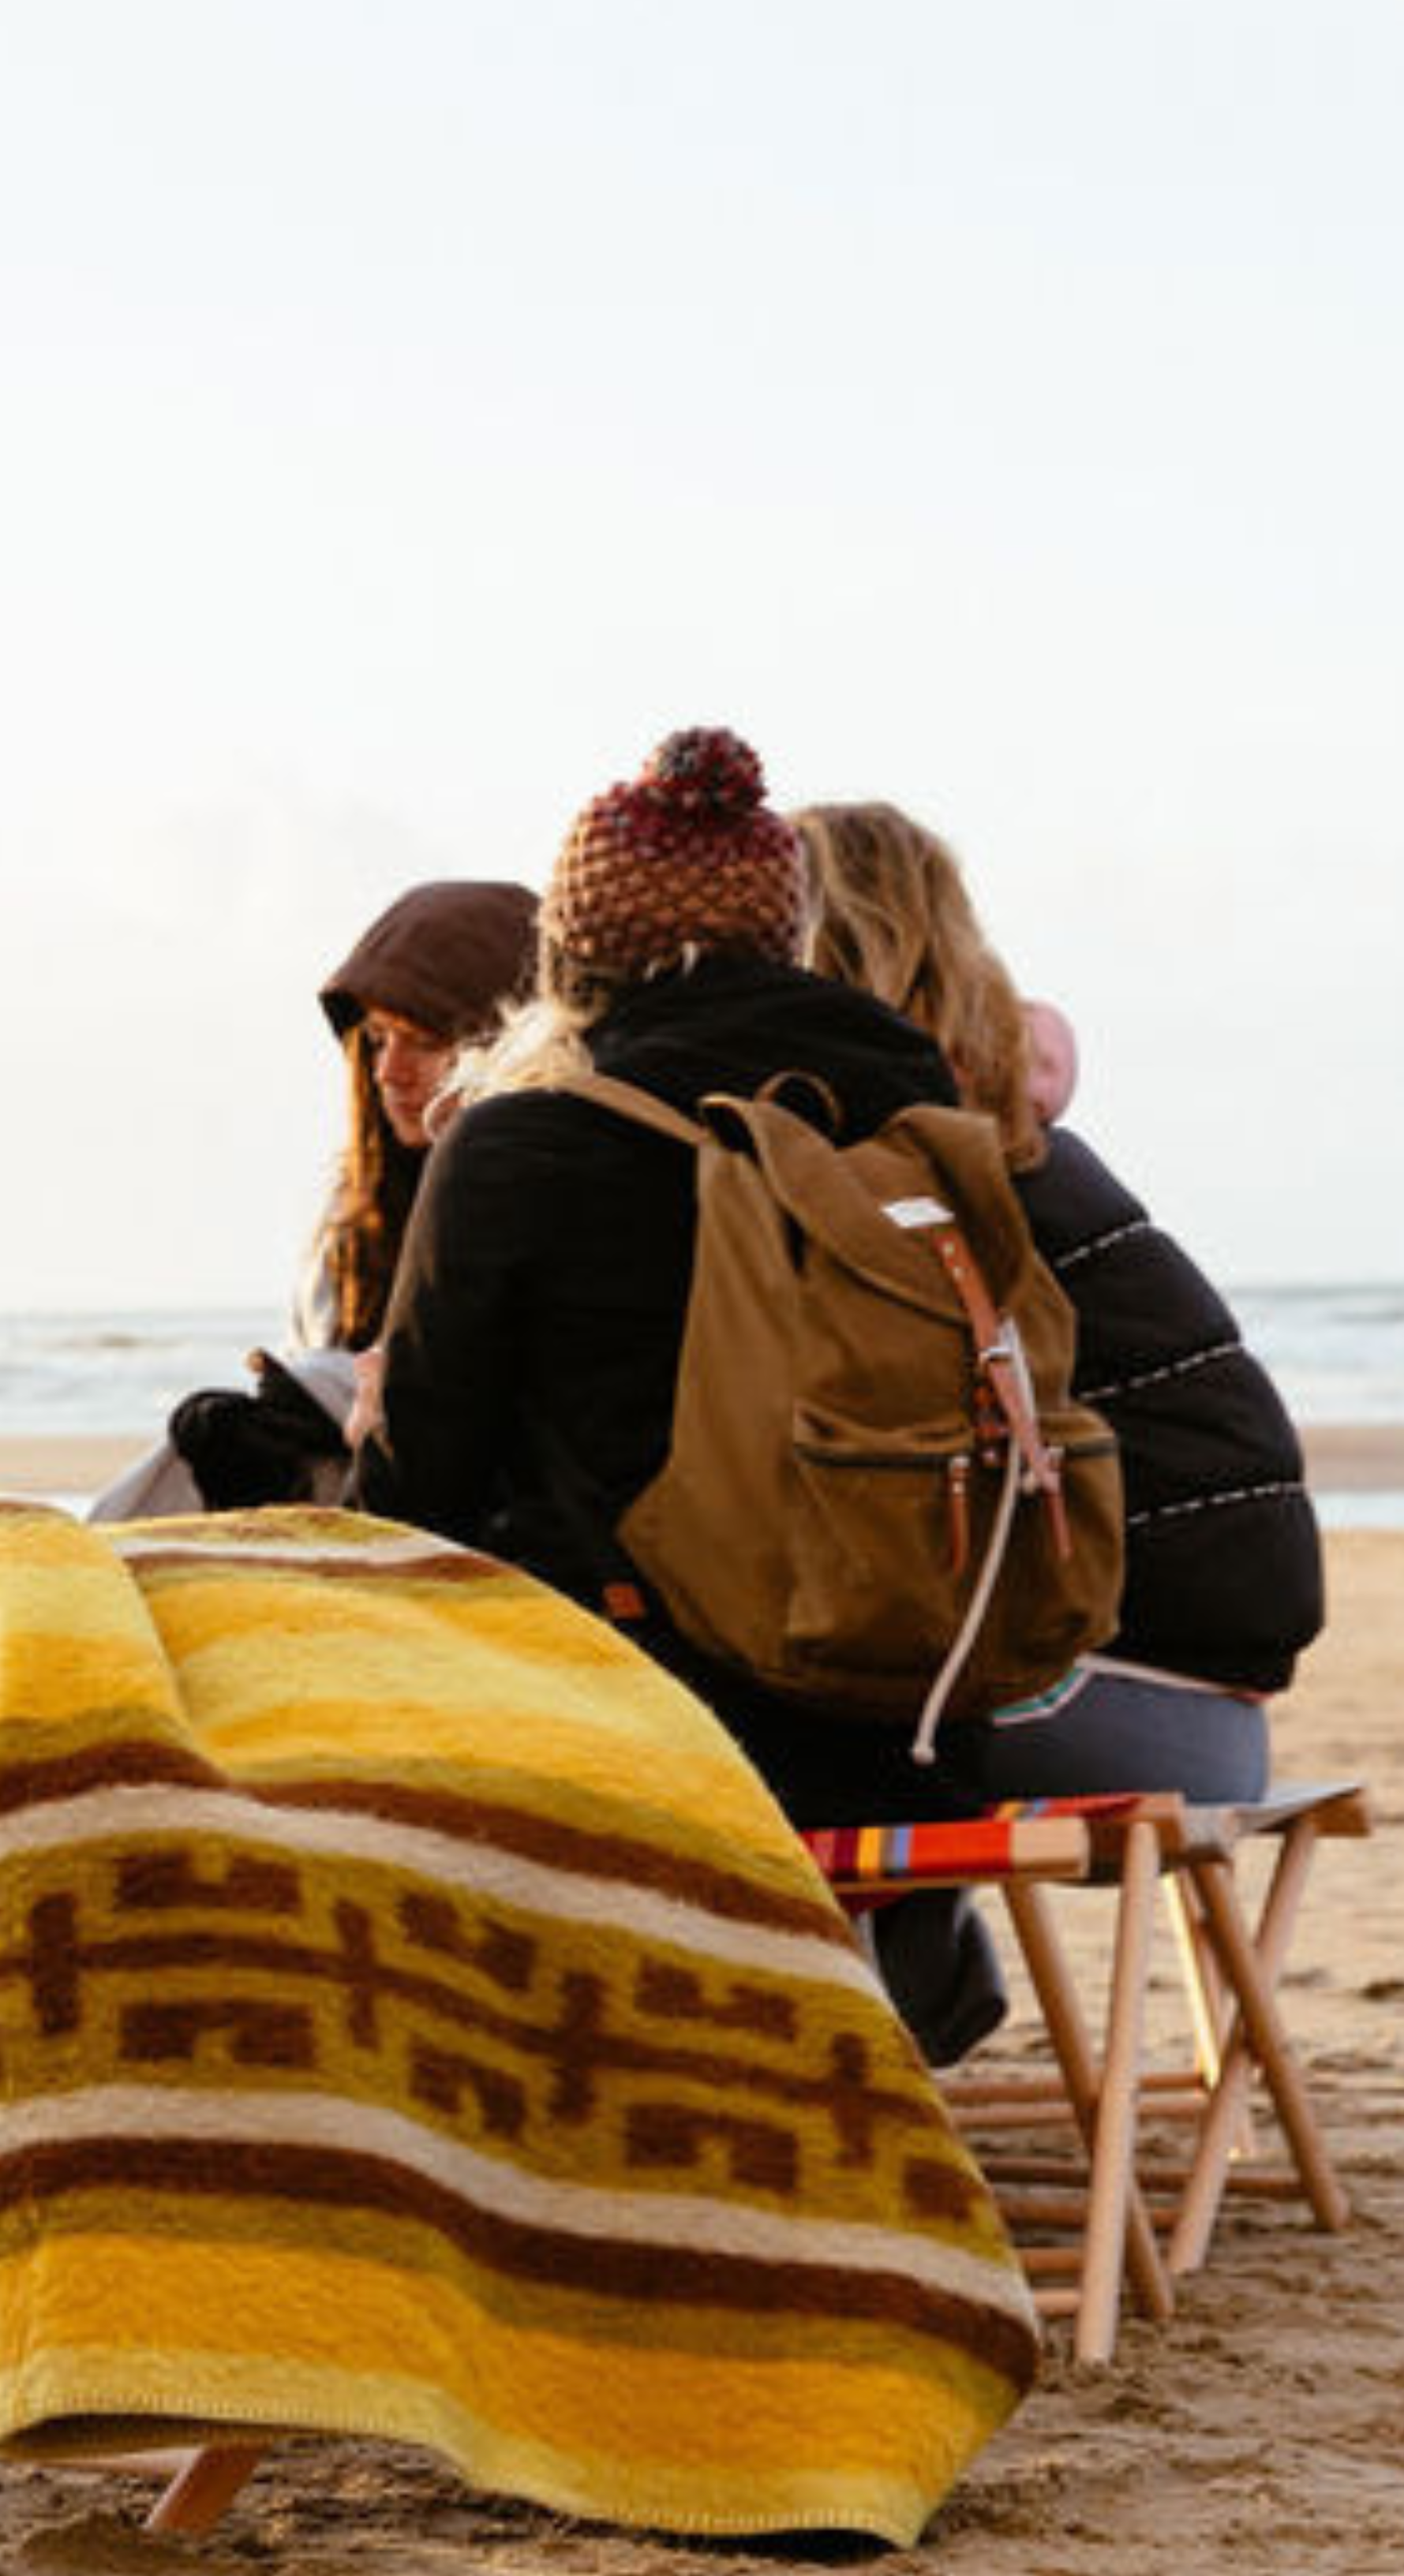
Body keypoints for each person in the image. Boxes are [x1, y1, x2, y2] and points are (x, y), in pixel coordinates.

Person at [353, 726, 999, 2051]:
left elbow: (412, 1502)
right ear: (788, 933)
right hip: (916, 1717)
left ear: (570, 953)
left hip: (644, 1734)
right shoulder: (915, 1118)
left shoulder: (523, 1145)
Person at [796, 799, 1319, 1801]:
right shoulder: (1008, 1137)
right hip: (1207, 1697)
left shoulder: (926, 1176)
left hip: (1120, 1701)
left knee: (799, 1733)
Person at [107, 879, 540, 1514]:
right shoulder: (355, 1222)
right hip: (353, 1513)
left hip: (498, 1523)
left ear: (509, 1044)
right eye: (377, 1040)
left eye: (423, 1040)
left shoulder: (559, 1202)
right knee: (222, 1429)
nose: (390, 1071)